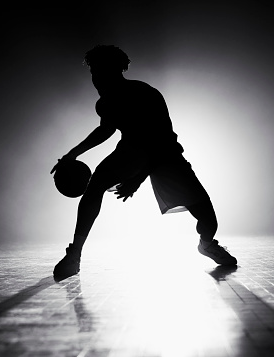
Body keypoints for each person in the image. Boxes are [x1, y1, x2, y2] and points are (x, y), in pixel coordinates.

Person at [51, 45, 236, 282]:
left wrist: (136, 181)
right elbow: (105, 130)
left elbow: (158, 144)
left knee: (208, 220)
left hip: (166, 156)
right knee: (96, 182)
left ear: (116, 70)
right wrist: (72, 155)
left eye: (100, 71)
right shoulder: (105, 103)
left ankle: (207, 244)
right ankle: (74, 255)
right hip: (131, 151)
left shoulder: (145, 94)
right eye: (93, 73)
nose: (95, 79)